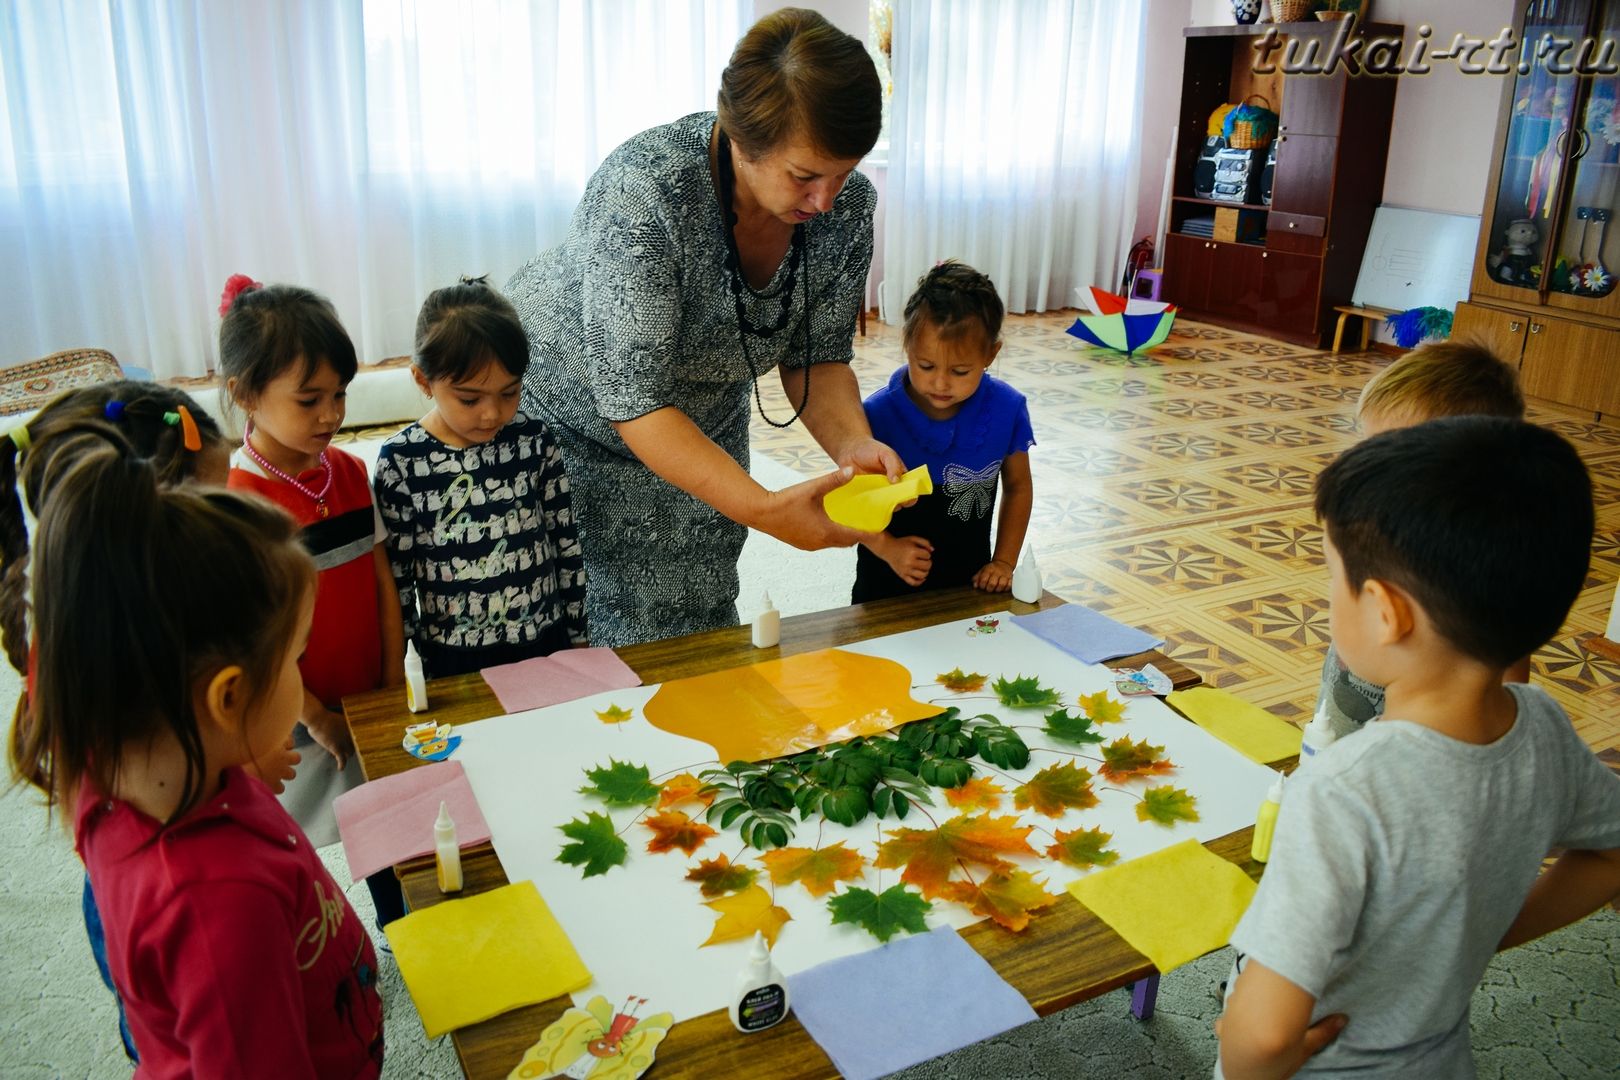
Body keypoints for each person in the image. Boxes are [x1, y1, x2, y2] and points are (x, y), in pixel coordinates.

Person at [1215, 417, 1620, 1078]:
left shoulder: (1346, 787)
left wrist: (1244, 1057)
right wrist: (1490, 932)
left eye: (1332, 575)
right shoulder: (1543, 727)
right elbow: (1611, 851)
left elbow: (1260, 1037)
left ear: (1385, 610)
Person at [507, 7, 900, 647]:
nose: (827, 199)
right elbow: (635, 401)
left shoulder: (845, 207)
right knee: (571, 626)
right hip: (566, 410)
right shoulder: (645, 191)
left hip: (700, 412)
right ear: (739, 137)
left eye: (845, 170)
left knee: (694, 618)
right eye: (805, 175)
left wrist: (852, 444)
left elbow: (817, 357)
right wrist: (769, 512)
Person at [9, 438, 384, 1076]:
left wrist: (235, 762)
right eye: (296, 657)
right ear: (228, 696)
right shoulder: (218, 907)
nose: (300, 671)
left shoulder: (117, 759)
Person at [0, 384, 288, 1064]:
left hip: (128, 891)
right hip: (144, 911)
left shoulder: (99, 627)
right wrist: (245, 749)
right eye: (213, 506)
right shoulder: (207, 902)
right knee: (179, 1037)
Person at [219, 275, 405, 926]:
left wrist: (389, 674)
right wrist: (316, 714)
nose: (331, 415)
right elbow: (250, 636)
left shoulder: (350, 471)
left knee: (383, 816)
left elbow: (381, 577)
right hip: (294, 710)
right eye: (309, 400)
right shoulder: (240, 501)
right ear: (245, 394)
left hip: (368, 688)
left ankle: (398, 925)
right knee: (294, 836)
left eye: (339, 396)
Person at [1309, 341, 1527, 743]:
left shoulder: (1484, 566)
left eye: (1393, 457)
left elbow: (1511, 682)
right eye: (1368, 447)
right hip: (1341, 729)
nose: (1371, 468)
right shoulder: (1366, 523)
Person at [374, 277, 587, 679]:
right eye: (470, 399)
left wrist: (577, 635)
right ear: (423, 381)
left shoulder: (535, 441)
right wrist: (408, 666)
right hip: (454, 657)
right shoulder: (400, 460)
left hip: (545, 642)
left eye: (510, 392)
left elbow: (565, 543)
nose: (492, 414)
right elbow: (398, 578)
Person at [851, 261, 1034, 603]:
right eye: (926, 366)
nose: (940, 383)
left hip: (970, 584)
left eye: (960, 370)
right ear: (907, 345)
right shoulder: (876, 416)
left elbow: (1019, 486)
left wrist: (1004, 562)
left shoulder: (1007, 409)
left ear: (991, 354)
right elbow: (853, 503)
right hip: (885, 585)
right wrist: (887, 548)